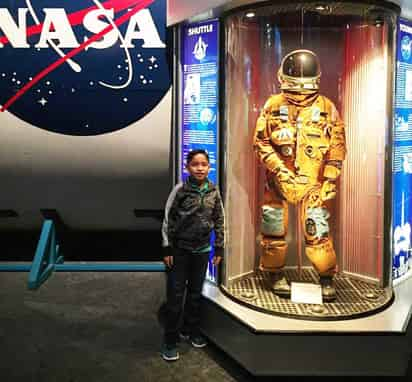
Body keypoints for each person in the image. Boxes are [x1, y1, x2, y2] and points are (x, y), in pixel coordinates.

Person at [253, 49, 346, 301]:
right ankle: (274, 273)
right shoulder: (273, 105)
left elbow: (337, 144)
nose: (299, 94)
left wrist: (329, 178)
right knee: (273, 228)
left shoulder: (326, 107)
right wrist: (278, 168)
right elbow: (261, 141)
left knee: (317, 230)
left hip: (313, 184)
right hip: (278, 181)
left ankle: (326, 276)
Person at [160, 149, 225, 361]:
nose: (199, 168)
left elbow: (219, 220)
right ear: (187, 167)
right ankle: (170, 339)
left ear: (209, 167)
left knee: (196, 294)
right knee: (175, 295)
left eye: (203, 164)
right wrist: (167, 247)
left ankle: (190, 330)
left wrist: (220, 247)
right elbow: (168, 219)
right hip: (179, 251)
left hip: (202, 251)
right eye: (195, 164)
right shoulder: (180, 189)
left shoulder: (214, 191)